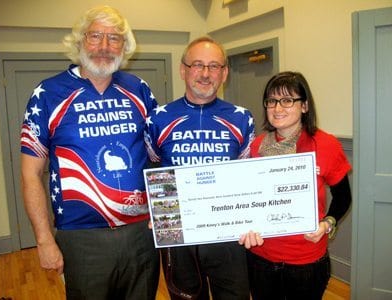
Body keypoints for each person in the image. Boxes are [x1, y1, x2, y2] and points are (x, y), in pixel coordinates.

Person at [20, 5, 159, 299]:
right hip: (81, 237)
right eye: (96, 36)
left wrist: (164, 213)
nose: (105, 47)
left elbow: (158, 155)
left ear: (125, 46)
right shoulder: (48, 93)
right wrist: (44, 240)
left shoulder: (139, 89)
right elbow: (30, 173)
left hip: (140, 233)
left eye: (115, 38)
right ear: (81, 40)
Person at [144, 36, 255, 300]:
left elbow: (247, 174)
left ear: (224, 73)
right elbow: (152, 165)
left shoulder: (242, 117)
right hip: (176, 231)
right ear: (183, 69)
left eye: (214, 66)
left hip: (228, 231)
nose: (205, 74)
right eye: (197, 65)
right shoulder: (157, 118)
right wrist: (157, 209)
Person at [238, 71, 352, 300]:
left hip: (306, 260)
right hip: (261, 257)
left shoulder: (326, 144)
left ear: (304, 106)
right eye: (271, 101)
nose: (277, 108)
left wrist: (327, 224)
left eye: (287, 100)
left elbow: (343, 197)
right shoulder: (257, 146)